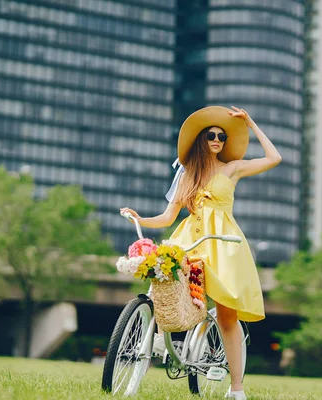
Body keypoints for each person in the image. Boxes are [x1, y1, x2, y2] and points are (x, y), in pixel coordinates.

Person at [120, 105, 281, 400]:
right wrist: (139, 218)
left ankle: (236, 388)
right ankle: (157, 339)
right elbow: (168, 218)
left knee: (227, 315)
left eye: (222, 136)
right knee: (163, 281)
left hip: (222, 242)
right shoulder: (187, 175)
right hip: (189, 239)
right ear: (201, 139)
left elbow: (274, 158)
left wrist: (250, 122)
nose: (217, 140)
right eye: (211, 135)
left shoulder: (231, 169)